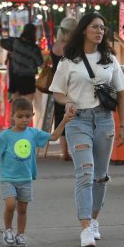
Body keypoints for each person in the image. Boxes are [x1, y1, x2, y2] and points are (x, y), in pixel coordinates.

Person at [49, 12, 124, 247]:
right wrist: (67, 102)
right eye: (95, 27)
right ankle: (84, 227)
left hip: (104, 120)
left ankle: (94, 221)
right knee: (85, 171)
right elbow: (57, 91)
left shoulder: (110, 60)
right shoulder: (68, 61)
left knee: (100, 176)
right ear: (84, 29)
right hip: (78, 120)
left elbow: (122, 94)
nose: (100, 31)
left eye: (103, 28)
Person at [0, 97, 74, 247]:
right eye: (20, 116)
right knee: (10, 204)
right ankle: (8, 230)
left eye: (28, 116)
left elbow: (54, 136)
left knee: (22, 209)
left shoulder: (33, 133)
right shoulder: (5, 135)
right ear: (13, 116)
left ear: (32, 115)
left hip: (25, 178)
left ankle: (21, 235)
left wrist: (64, 120)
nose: (24, 120)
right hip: (8, 178)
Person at [51, 16, 77, 161]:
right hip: (71, 85)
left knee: (61, 118)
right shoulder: (71, 47)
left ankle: (64, 152)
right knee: (73, 117)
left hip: (57, 86)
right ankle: (73, 151)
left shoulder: (55, 46)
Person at [0, 23, 43, 102]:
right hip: (28, 78)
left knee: (16, 104)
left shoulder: (15, 41)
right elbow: (40, 63)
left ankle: (15, 114)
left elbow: (1, 42)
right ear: (34, 33)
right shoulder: (34, 48)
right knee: (27, 103)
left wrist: (11, 50)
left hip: (14, 76)